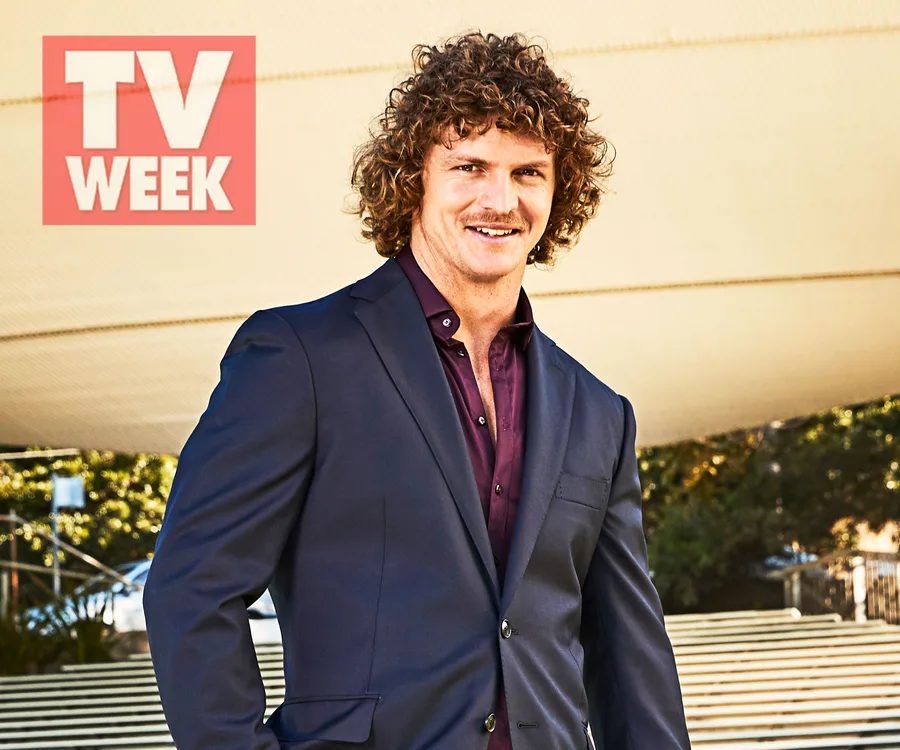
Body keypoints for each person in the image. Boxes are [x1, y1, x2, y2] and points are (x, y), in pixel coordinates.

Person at [144, 31, 691, 750]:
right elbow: (191, 589)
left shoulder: (598, 413)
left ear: (561, 193)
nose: (501, 199)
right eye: (470, 166)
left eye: (529, 173)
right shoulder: (298, 358)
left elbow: (630, 656)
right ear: (414, 178)